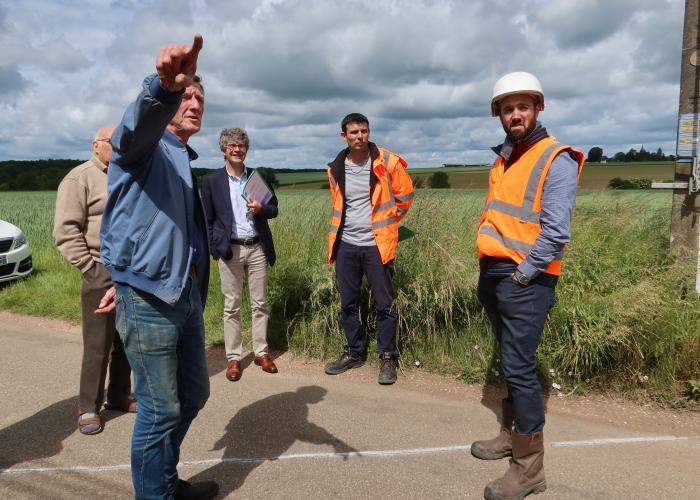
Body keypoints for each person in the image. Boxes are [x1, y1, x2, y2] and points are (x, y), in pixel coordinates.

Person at [97, 34, 218, 500]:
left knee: (192, 396)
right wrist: (163, 88)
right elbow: (133, 129)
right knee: (158, 409)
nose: (194, 104)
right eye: (186, 97)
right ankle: (155, 495)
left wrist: (122, 274)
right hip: (149, 299)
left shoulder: (184, 158)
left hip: (181, 294)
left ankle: (162, 482)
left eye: (199, 98)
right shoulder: (144, 147)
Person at [471, 72, 584, 500]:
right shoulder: (505, 158)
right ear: (498, 114)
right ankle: (508, 435)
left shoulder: (556, 157)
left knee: (519, 366)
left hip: (526, 279)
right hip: (496, 274)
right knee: (509, 360)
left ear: (538, 108)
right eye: (506, 108)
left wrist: (523, 273)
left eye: (523, 106)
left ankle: (529, 467)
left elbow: (556, 231)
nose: (515, 114)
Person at [53, 124, 136, 436]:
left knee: (125, 340)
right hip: (99, 268)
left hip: (129, 271)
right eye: (112, 142)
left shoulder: (127, 173)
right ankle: (88, 407)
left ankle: (118, 395)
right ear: (96, 145)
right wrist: (89, 268)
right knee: (98, 344)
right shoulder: (79, 178)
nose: (118, 147)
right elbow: (65, 230)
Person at [323, 113, 414, 385]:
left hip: (377, 245)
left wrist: (387, 226)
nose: (360, 136)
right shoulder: (336, 168)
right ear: (344, 136)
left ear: (369, 132)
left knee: (385, 304)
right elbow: (340, 205)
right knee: (348, 303)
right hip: (347, 246)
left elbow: (406, 196)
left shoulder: (387, 162)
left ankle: (387, 357)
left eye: (364, 131)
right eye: (353, 132)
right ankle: (354, 351)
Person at [201, 128, 279, 382]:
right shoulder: (212, 181)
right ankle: (234, 358)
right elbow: (208, 219)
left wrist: (261, 209)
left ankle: (261, 352)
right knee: (231, 306)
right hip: (229, 249)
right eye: (232, 146)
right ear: (224, 149)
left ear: (246, 149)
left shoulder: (255, 178)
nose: (237, 150)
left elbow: (274, 209)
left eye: (242, 146)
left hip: (256, 246)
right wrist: (215, 247)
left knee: (260, 303)